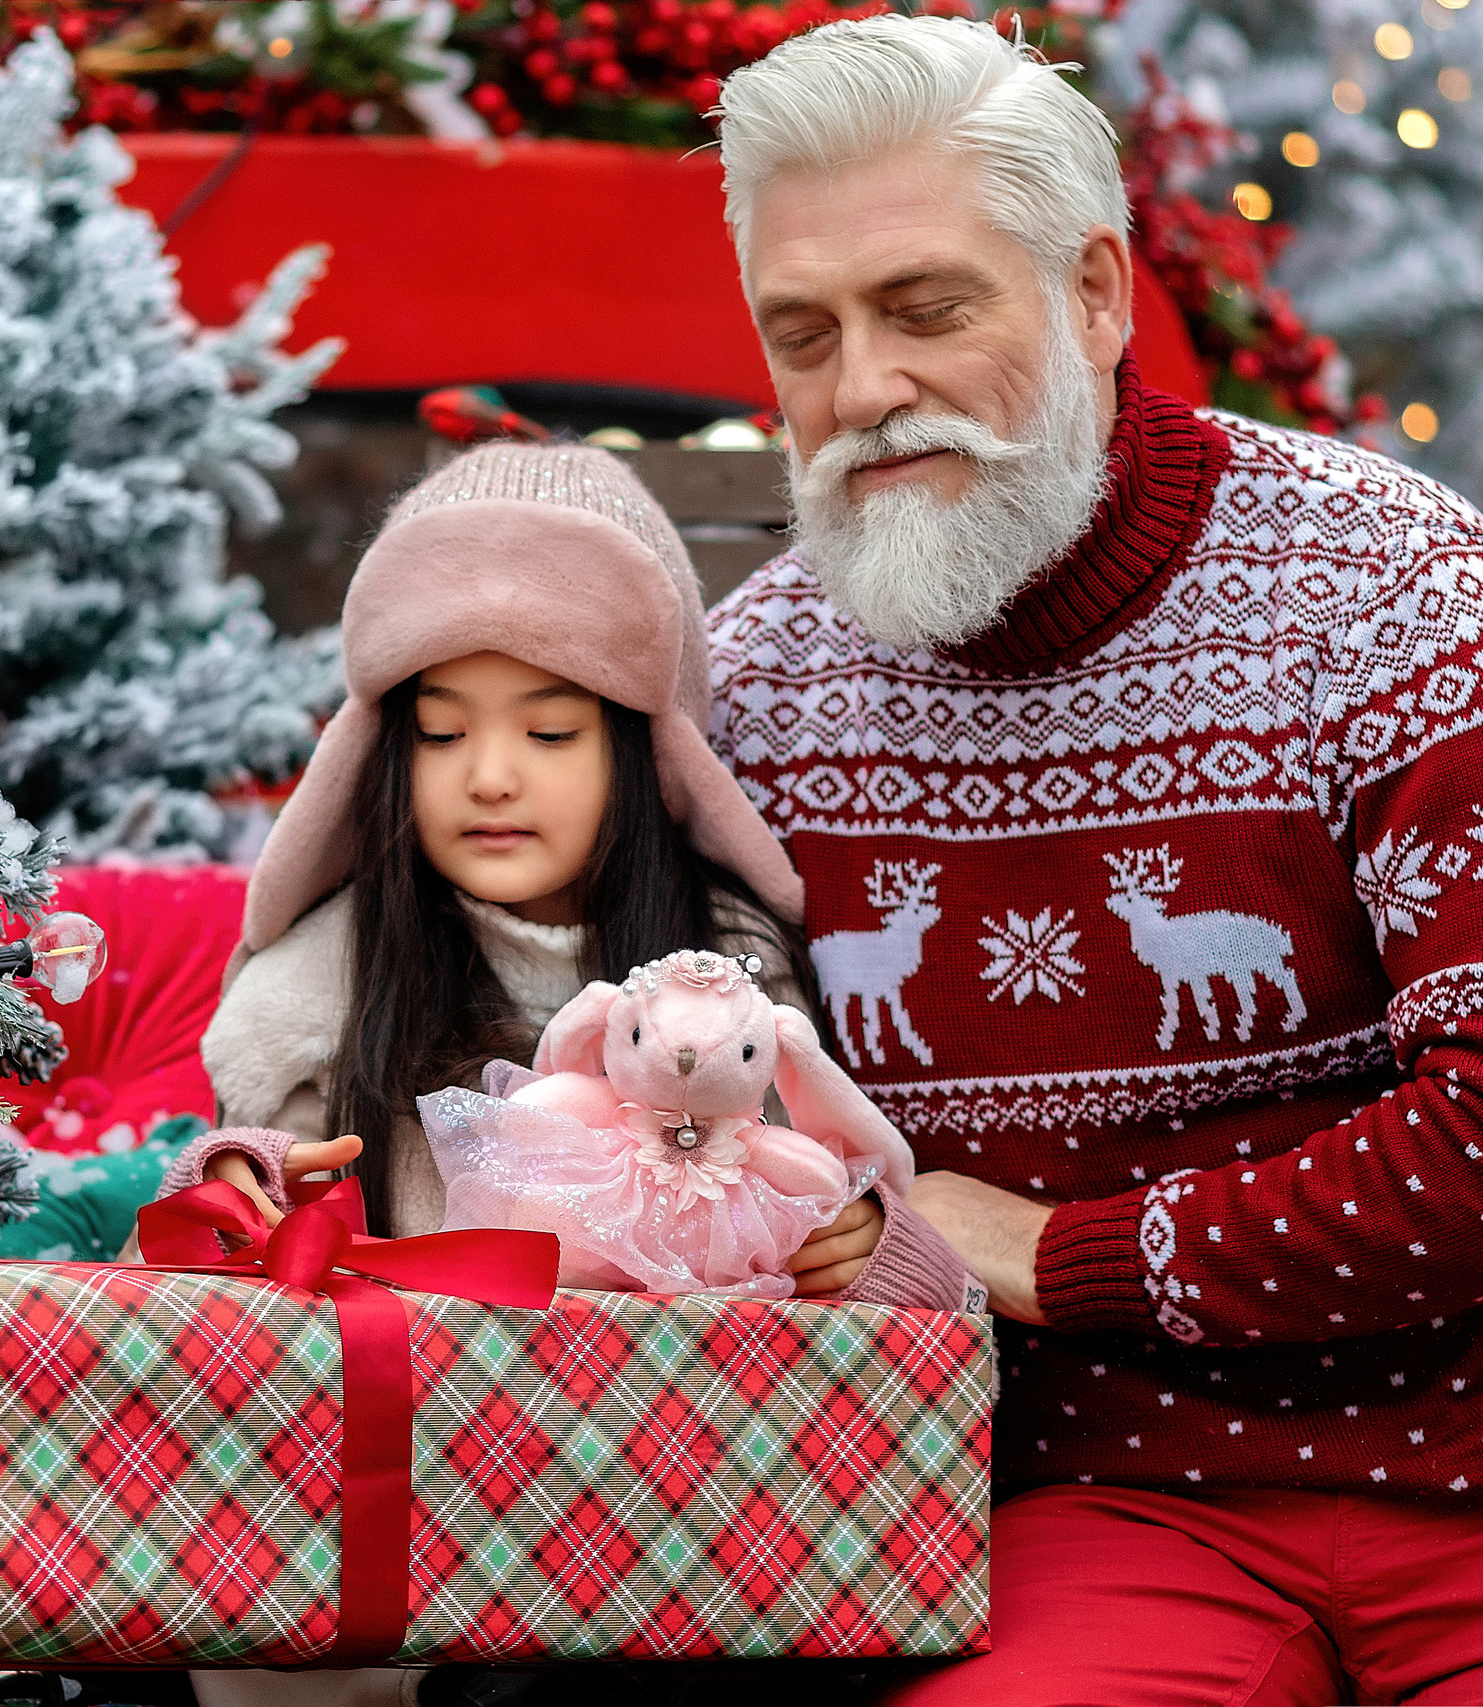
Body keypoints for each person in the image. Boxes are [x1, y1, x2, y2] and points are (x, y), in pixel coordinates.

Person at [704, 15, 1483, 1700]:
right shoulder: (752, 688)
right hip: (1102, 1499)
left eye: (927, 310)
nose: (862, 390)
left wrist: (1058, 1251)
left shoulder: (1392, 591)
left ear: (1094, 293)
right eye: (806, 334)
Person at [158, 443, 978, 1707]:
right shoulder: (327, 980)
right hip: (402, 1539)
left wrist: (866, 1252)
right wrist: (248, 1187)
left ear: (645, 753)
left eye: (548, 728)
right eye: (441, 732)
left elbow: (842, 1239)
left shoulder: (724, 975)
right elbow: (212, 1274)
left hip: (681, 1533)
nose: (490, 774)